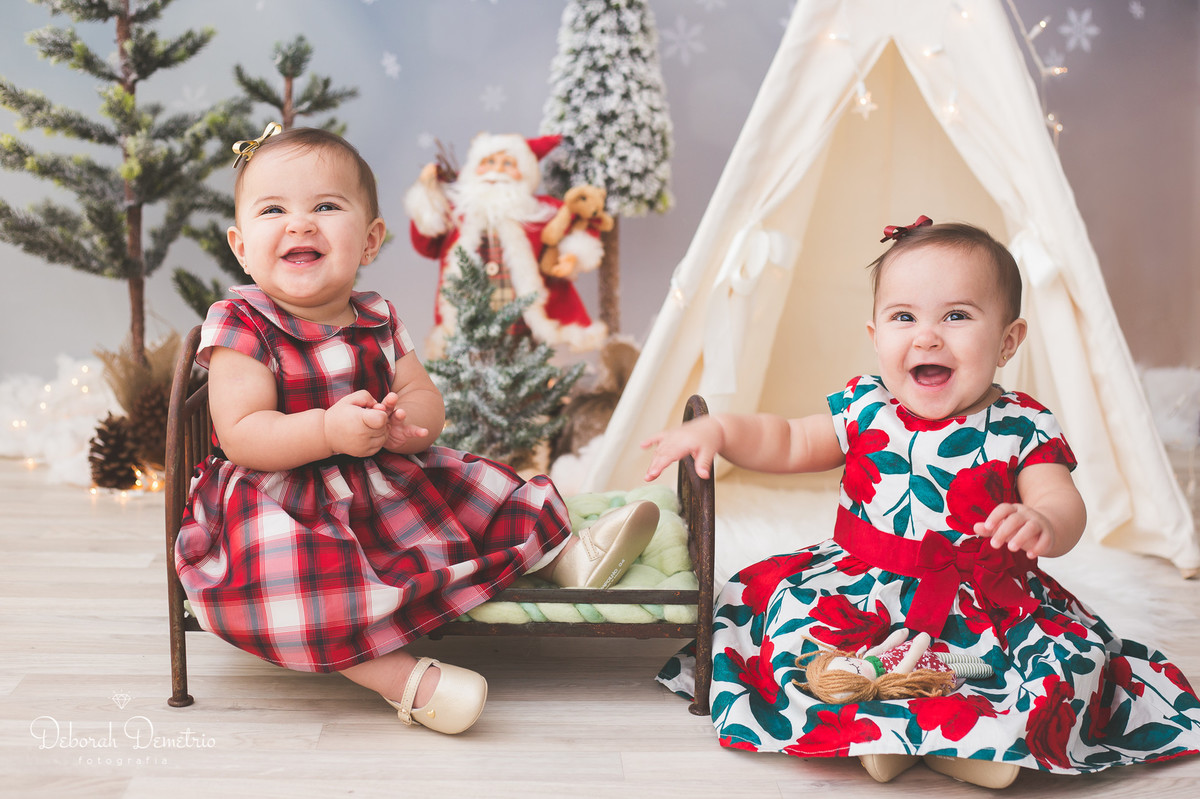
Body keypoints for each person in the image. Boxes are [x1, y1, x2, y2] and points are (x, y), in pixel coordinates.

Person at [642, 218, 1200, 788]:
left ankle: (974, 744)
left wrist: (1044, 521)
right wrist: (720, 431)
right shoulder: (865, 407)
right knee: (797, 632)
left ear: (1008, 341)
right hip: (863, 588)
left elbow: (1062, 498)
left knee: (1056, 664)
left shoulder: (1024, 425)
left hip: (984, 596)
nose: (927, 337)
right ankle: (877, 731)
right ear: (876, 335)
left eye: (956, 316)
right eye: (904, 317)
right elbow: (784, 439)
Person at [174, 125, 659, 735]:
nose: (299, 225)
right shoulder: (241, 323)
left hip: (378, 474)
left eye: (325, 206)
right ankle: (403, 680)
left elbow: (423, 395)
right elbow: (243, 434)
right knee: (297, 578)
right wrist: (327, 431)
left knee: (482, 486)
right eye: (274, 210)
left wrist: (412, 426)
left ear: (370, 239)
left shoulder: (377, 316)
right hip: (281, 497)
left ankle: (564, 558)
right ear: (242, 247)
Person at [404, 132, 607, 356]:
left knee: (528, 359)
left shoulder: (537, 212)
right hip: (467, 321)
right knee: (468, 360)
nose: (497, 169)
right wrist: (427, 193)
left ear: (525, 173)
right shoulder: (455, 213)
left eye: (508, 163)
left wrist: (573, 255)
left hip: (522, 324)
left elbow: (582, 219)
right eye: (489, 161)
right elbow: (425, 243)